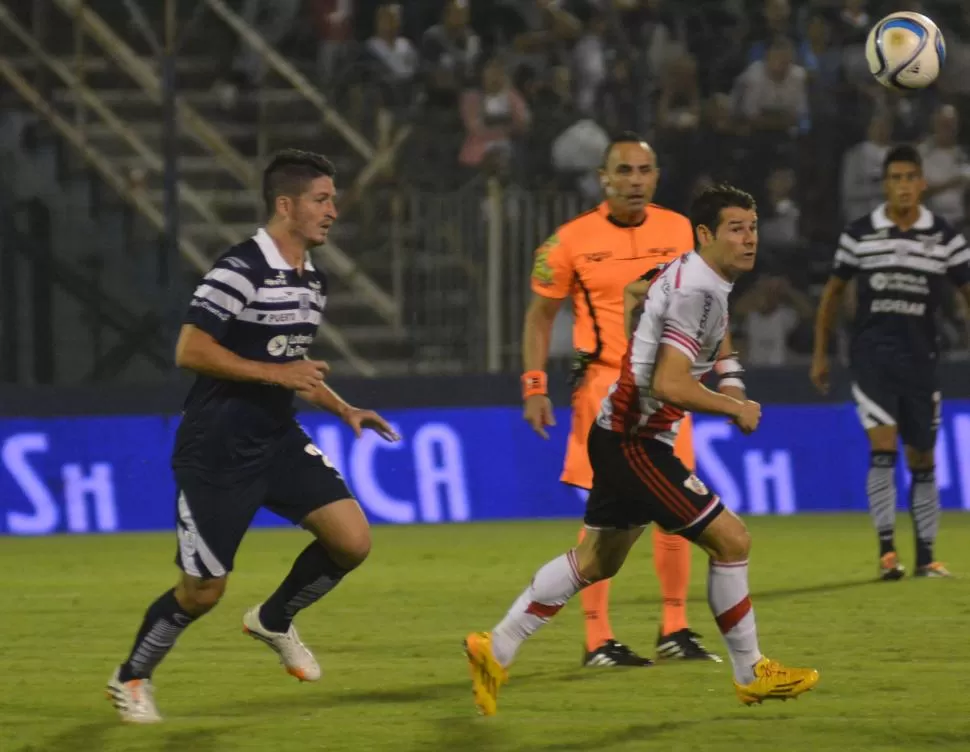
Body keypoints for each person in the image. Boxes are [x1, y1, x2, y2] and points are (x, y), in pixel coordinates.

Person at [467, 183, 819, 715]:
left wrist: (697, 364)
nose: (750, 239)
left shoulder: (689, 273)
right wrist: (734, 407)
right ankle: (752, 673)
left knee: (597, 559)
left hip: (619, 432)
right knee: (732, 541)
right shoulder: (698, 292)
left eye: (753, 228)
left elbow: (635, 294)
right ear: (706, 234)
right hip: (635, 441)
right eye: (736, 229)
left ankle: (495, 648)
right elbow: (673, 384)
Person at [105, 149, 399, 724]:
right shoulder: (238, 269)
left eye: (333, 199)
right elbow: (190, 348)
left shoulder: (311, 280)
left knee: (352, 541)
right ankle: (131, 677)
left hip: (275, 438)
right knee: (202, 593)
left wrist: (343, 408)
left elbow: (293, 364)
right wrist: (276, 375)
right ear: (285, 205)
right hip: (216, 449)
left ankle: (273, 619)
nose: (333, 210)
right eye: (322, 199)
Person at [522, 132, 720, 666]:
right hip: (603, 390)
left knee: (679, 506)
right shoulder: (568, 241)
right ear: (603, 179)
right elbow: (540, 317)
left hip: (667, 390)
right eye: (624, 171)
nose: (635, 180)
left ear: (656, 177)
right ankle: (597, 639)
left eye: (644, 171)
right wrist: (534, 385)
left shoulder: (678, 229)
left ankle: (675, 628)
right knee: (604, 518)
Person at [811, 144, 970, 580]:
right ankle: (886, 552)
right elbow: (832, 295)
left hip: (922, 360)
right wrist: (821, 354)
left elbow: (966, 289)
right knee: (883, 450)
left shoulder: (945, 236)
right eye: (894, 178)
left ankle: (925, 556)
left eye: (909, 178)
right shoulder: (860, 233)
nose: (902, 186)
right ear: (885, 185)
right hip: (873, 359)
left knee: (923, 458)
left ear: (922, 183)